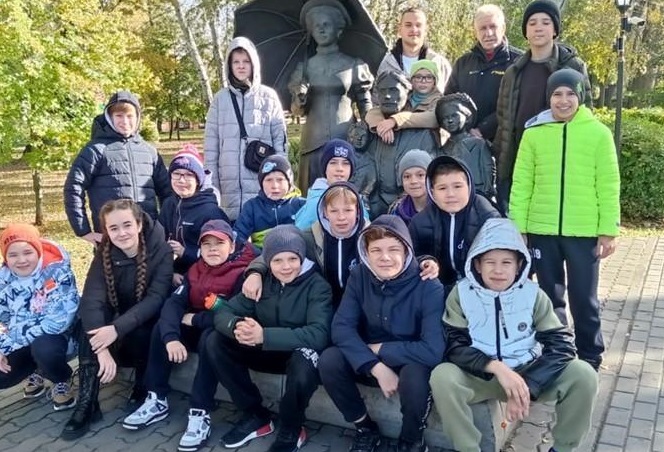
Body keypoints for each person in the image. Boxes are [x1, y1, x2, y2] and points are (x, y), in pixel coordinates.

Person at [430, 218, 598, 452]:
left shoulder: (533, 294)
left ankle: (562, 448)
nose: (498, 270)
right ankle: (468, 448)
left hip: (527, 372)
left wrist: (528, 385)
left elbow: (562, 345)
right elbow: (454, 346)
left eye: (506, 262)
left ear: (519, 265)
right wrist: (497, 368)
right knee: (442, 375)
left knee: (583, 374)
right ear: (477, 264)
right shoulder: (461, 293)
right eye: (490, 262)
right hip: (481, 375)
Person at [509, 68, 620, 370]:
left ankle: (590, 355)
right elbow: (522, 182)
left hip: (584, 233)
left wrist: (608, 230)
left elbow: (608, 184)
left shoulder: (598, 133)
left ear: (580, 96)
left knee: (584, 297)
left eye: (571, 93)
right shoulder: (534, 134)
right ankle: (557, 351)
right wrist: (519, 226)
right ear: (549, 98)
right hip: (542, 230)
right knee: (549, 296)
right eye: (557, 94)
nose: (563, 100)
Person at [122, 219, 258, 452]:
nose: (212, 249)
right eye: (207, 244)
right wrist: (171, 338)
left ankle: (200, 411)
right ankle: (156, 398)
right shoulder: (195, 269)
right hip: (196, 322)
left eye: (219, 243)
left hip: (224, 332)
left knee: (209, 339)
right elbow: (175, 302)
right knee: (162, 327)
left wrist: (195, 319)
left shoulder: (243, 273)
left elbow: (235, 313)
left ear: (232, 246)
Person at [318, 215, 446, 452]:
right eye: (376, 250)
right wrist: (375, 366)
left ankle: (411, 439)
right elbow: (342, 326)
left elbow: (433, 350)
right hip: (369, 356)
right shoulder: (360, 276)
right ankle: (364, 427)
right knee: (330, 360)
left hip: (410, 356)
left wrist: (380, 350)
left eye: (393, 249)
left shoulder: (429, 285)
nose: (384, 257)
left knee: (415, 378)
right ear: (366, 253)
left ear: (407, 250)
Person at [205, 225, 333, 452]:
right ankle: (255, 415)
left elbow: (319, 334)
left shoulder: (318, 286)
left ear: (301, 258)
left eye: (292, 259)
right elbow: (224, 312)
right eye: (277, 260)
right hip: (262, 349)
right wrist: (238, 326)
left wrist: (264, 335)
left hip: (294, 352)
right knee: (215, 341)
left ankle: (292, 427)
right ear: (268, 262)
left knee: (305, 361)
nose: (286, 266)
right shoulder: (262, 281)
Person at [61, 199, 173, 440]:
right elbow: (91, 299)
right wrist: (101, 348)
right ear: (106, 231)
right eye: (113, 228)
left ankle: (142, 386)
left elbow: (156, 299)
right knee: (87, 325)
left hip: (144, 321)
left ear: (139, 224)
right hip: (115, 322)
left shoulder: (161, 250)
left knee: (146, 330)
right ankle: (88, 403)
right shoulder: (104, 253)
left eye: (127, 225)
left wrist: (116, 329)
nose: (121, 233)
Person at [494, 0, 591, 213]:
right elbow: (504, 121)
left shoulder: (572, 66)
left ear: (555, 29)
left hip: (556, 162)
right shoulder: (513, 72)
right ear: (526, 31)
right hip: (519, 160)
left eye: (546, 22)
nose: (538, 27)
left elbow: (586, 115)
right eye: (532, 23)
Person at [64, 90, 172, 245]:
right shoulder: (95, 150)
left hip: (148, 239)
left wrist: (164, 227)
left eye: (130, 116)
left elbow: (167, 193)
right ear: (110, 117)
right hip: (112, 239)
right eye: (119, 116)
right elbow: (73, 188)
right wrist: (83, 230)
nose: (125, 121)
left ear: (137, 117)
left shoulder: (149, 152)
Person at [288, 0, 373, 191]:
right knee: (312, 197)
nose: (321, 29)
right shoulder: (304, 68)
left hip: (346, 141)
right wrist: (300, 99)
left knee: (346, 196)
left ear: (338, 30)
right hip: (313, 143)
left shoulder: (353, 65)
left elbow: (365, 104)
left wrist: (368, 130)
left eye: (326, 24)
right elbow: (296, 111)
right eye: (316, 25)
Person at [204, 36, 287, 221]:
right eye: (236, 62)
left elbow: (280, 143)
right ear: (229, 65)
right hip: (228, 189)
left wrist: (280, 179)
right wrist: (211, 188)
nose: (241, 66)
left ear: (254, 64)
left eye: (246, 61)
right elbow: (211, 148)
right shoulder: (220, 100)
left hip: (261, 185)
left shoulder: (269, 97)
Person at [0, 224, 79, 410]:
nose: (21, 260)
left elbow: (57, 323)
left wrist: (5, 344)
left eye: (27, 252)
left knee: (44, 349)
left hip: (59, 339)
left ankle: (61, 379)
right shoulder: (3, 278)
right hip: (20, 339)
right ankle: (37, 370)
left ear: (38, 250)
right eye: (13, 255)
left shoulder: (58, 273)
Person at [409, 155, 501, 293]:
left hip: (481, 288)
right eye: (442, 188)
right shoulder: (419, 222)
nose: (450, 194)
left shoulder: (488, 217)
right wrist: (426, 262)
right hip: (439, 288)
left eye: (457, 186)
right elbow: (412, 255)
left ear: (469, 187)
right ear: (432, 192)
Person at [352, 70, 438, 218]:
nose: (387, 96)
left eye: (393, 90)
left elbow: (430, 174)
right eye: (382, 91)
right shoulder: (370, 129)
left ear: (407, 92)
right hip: (372, 205)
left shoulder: (423, 134)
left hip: (409, 207)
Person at [445, 4, 523, 142]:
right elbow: (448, 100)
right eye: (482, 28)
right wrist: (463, 128)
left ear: (503, 28)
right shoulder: (463, 63)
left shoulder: (518, 62)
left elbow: (517, 103)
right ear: (476, 32)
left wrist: (483, 129)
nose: (488, 33)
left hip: (503, 142)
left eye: (493, 26)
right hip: (464, 140)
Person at [158, 144, 229, 285]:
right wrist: (169, 273)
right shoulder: (168, 204)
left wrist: (185, 252)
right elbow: (158, 242)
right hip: (173, 273)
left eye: (188, 175)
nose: (181, 180)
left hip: (205, 276)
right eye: (176, 174)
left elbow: (221, 256)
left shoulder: (211, 212)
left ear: (198, 180)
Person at [233, 155, 305, 248]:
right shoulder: (252, 207)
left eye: (280, 180)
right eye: (268, 180)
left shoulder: (301, 205)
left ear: (289, 182)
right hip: (261, 254)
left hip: (294, 252)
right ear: (261, 183)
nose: (274, 185)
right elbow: (238, 237)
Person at [377, 7, 452, 95]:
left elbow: (451, 97)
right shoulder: (386, 64)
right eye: (408, 25)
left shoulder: (439, 63)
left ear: (426, 30)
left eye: (418, 25)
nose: (414, 29)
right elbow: (376, 98)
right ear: (400, 29)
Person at [436, 93, 496, 199]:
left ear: (467, 117)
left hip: (477, 195)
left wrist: (487, 191)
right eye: (445, 118)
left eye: (454, 116)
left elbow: (488, 169)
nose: (450, 120)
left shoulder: (478, 144)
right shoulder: (442, 150)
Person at [294, 139, 359, 230]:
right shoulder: (315, 203)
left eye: (345, 163)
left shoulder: (356, 198)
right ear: (325, 168)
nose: (339, 168)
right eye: (333, 163)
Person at [388, 149, 432, 225]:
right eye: (407, 176)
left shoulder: (443, 207)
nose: (413, 181)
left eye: (420, 175)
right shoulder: (397, 211)